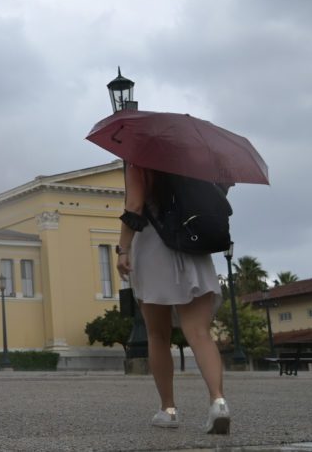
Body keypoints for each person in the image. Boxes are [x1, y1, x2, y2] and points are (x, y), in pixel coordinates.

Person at [116, 163, 230, 434]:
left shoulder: (139, 159)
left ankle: (168, 409)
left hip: (155, 247)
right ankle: (219, 401)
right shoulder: (187, 158)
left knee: (157, 335)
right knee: (200, 333)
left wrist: (123, 249)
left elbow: (134, 206)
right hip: (193, 244)